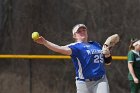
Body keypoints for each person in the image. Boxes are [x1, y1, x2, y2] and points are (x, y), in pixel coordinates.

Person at [33, 24, 112, 93]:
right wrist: (45, 42)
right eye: (79, 31)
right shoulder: (75, 47)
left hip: (100, 80)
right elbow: (59, 48)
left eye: (84, 30)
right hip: (83, 83)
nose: (82, 32)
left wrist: (108, 54)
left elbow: (108, 62)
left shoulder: (96, 44)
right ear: (74, 35)